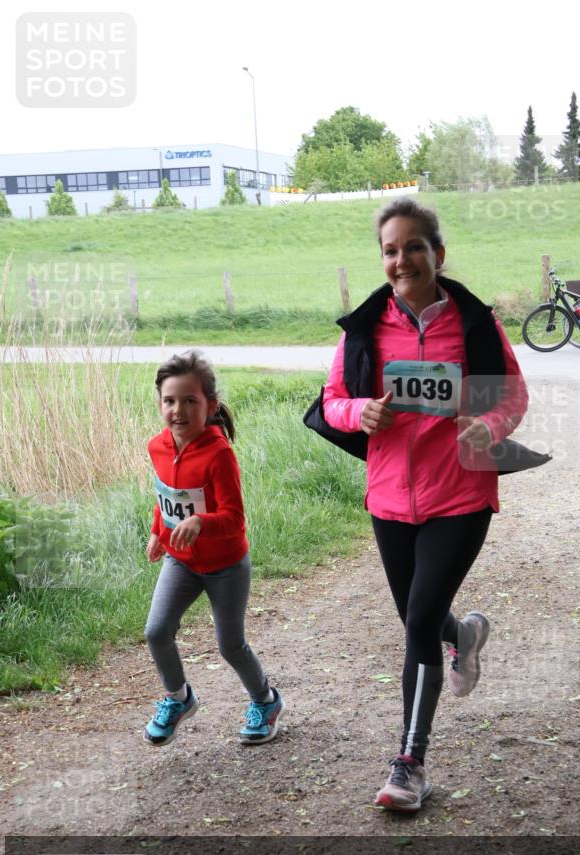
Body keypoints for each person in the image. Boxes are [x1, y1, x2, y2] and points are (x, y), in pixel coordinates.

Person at [321, 198, 528, 812]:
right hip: (389, 498)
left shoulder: (473, 323)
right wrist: (362, 412)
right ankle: (464, 634)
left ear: (437, 253)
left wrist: (489, 425)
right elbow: (332, 400)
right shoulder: (364, 329)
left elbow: (511, 396)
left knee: (416, 623)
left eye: (414, 247)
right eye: (390, 250)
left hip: (460, 493)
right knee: (420, 615)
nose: (402, 259)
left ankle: (409, 764)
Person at [143, 351, 283, 747]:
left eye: (190, 400)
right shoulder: (157, 447)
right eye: (170, 401)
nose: (179, 410)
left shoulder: (219, 454)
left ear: (210, 405)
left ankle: (266, 701)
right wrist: (158, 531)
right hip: (182, 561)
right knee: (156, 631)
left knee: (230, 646)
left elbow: (234, 518)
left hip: (226, 566)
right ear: (160, 404)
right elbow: (166, 495)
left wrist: (201, 522)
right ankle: (179, 698)